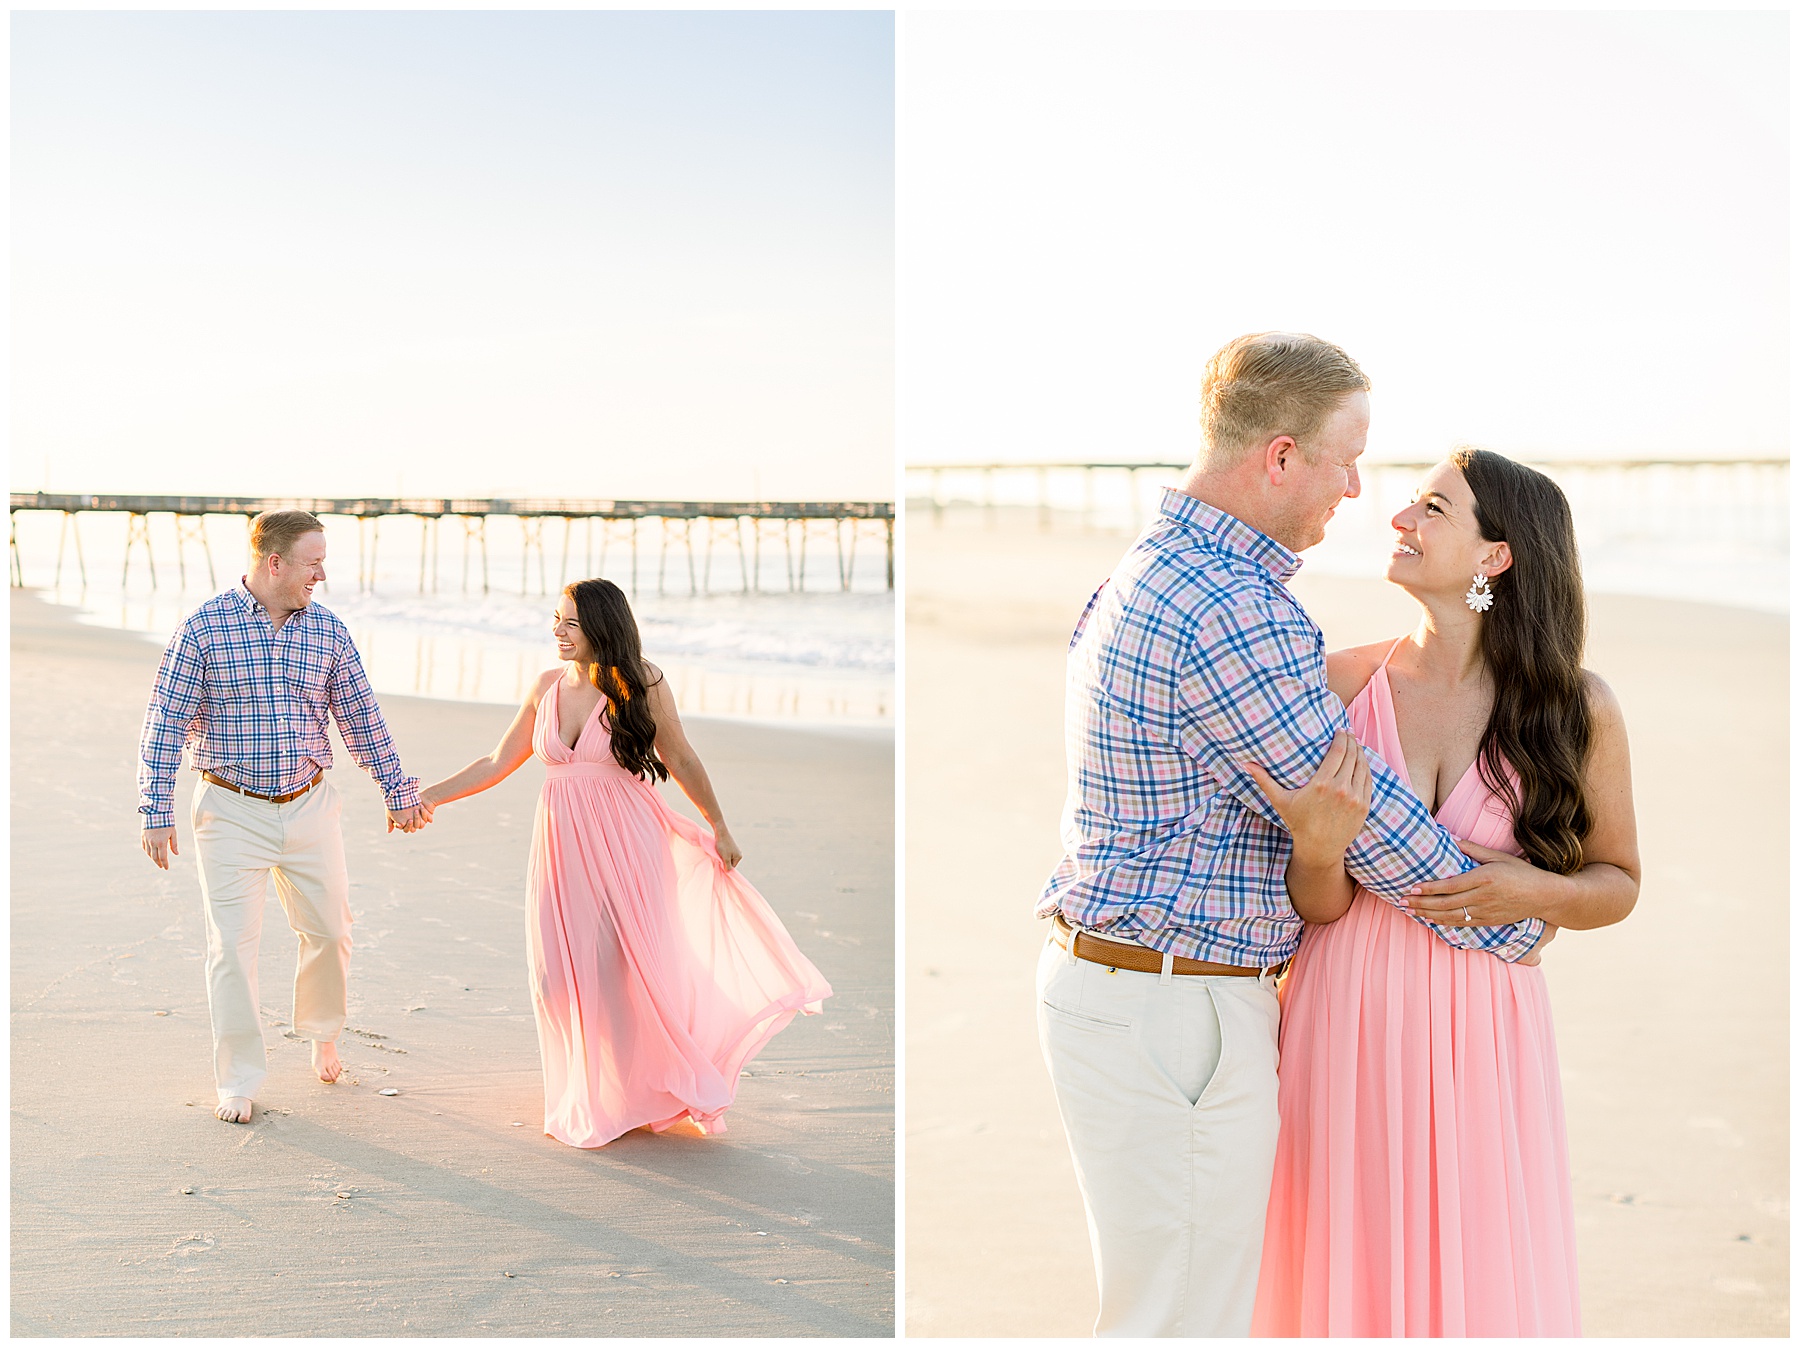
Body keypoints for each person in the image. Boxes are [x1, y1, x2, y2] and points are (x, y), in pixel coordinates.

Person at [1034, 332, 1561, 1337]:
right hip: (1174, 1008)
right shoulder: (1234, 610)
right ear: (1280, 457)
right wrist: (1513, 919)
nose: (1360, 489)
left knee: (1166, 1306)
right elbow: (1365, 822)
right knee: (1183, 1319)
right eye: (1345, 457)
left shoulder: (1150, 573)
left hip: (1130, 991)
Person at [1247, 448, 1640, 1336]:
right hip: (1340, 1015)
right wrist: (1317, 850)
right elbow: (1320, 902)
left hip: (1485, 1035)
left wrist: (1531, 889)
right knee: (1337, 1264)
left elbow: (1616, 884)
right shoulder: (1340, 684)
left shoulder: (1577, 708)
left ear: (1496, 556)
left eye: (1431, 508)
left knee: (1478, 1273)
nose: (1399, 520)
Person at [419, 577, 832, 1148]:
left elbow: (679, 755)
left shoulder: (641, 683)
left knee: (627, 970)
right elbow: (496, 761)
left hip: (629, 843)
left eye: (570, 622)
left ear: (602, 626)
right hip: (561, 847)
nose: (557, 631)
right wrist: (428, 795)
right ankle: (593, 1087)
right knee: (555, 977)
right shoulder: (545, 686)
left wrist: (719, 824)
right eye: (555, 619)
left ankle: (635, 1094)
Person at [138, 510, 430, 1125]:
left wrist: (397, 790)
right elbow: (163, 723)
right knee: (231, 948)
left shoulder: (327, 631)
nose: (322, 574)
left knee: (330, 929)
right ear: (275, 563)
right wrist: (155, 806)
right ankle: (238, 1079)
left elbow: (361, 717)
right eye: (313, 562)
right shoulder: (204, 628)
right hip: (228, 809)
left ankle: (323, 1033)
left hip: (309, 805)